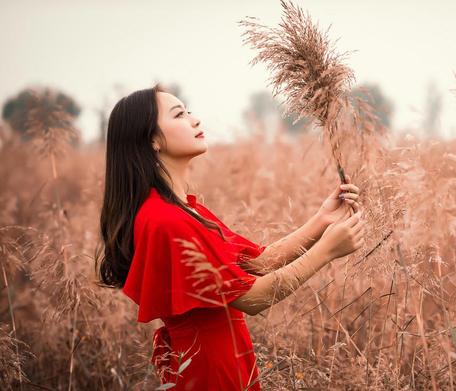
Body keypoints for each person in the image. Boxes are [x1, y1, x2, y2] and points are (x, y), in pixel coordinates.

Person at [95, 83, 366, 390]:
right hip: (208, 371)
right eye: (179, 115)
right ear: (153, 139)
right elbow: (254, 298)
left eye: (190, 112)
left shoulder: (184, 209)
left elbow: (256, 263)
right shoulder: (165, 219)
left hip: (224, 361)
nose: (195, 120)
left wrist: (321, 221)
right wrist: (327, 251)